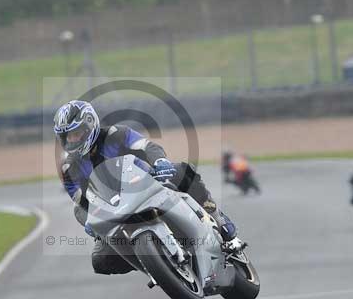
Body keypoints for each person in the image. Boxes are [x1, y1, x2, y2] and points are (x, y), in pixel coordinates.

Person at [53, 100, 245, 275]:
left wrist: (160, 162)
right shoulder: (69, 168)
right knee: (101, 261)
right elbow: (80, 201)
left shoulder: (117, 134)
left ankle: (219, 221)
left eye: (76, 133)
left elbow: (148, 147)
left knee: (182, 170)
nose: (72, 140)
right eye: (67, 137)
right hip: (114, 211)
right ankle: (155, 263)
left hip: (146, 183)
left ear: (89, 126)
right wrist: (91, 222)